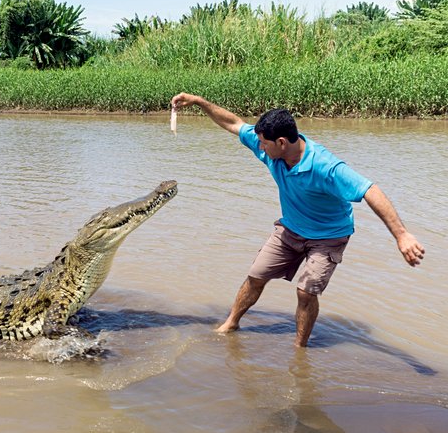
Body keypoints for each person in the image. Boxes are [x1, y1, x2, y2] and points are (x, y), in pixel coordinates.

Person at [171, 93, 425, 347]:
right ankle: (232, 322)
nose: (260, 148)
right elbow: (234, 124)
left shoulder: (325, 166)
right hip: (291, 228)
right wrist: (200, 102)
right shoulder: (272, 152)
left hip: (328, 236)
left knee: (306, 292)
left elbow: (370, 190)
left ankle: (299, 348)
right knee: (256, 275)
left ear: (281, 142)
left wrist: (401, 235)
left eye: (263, 144)